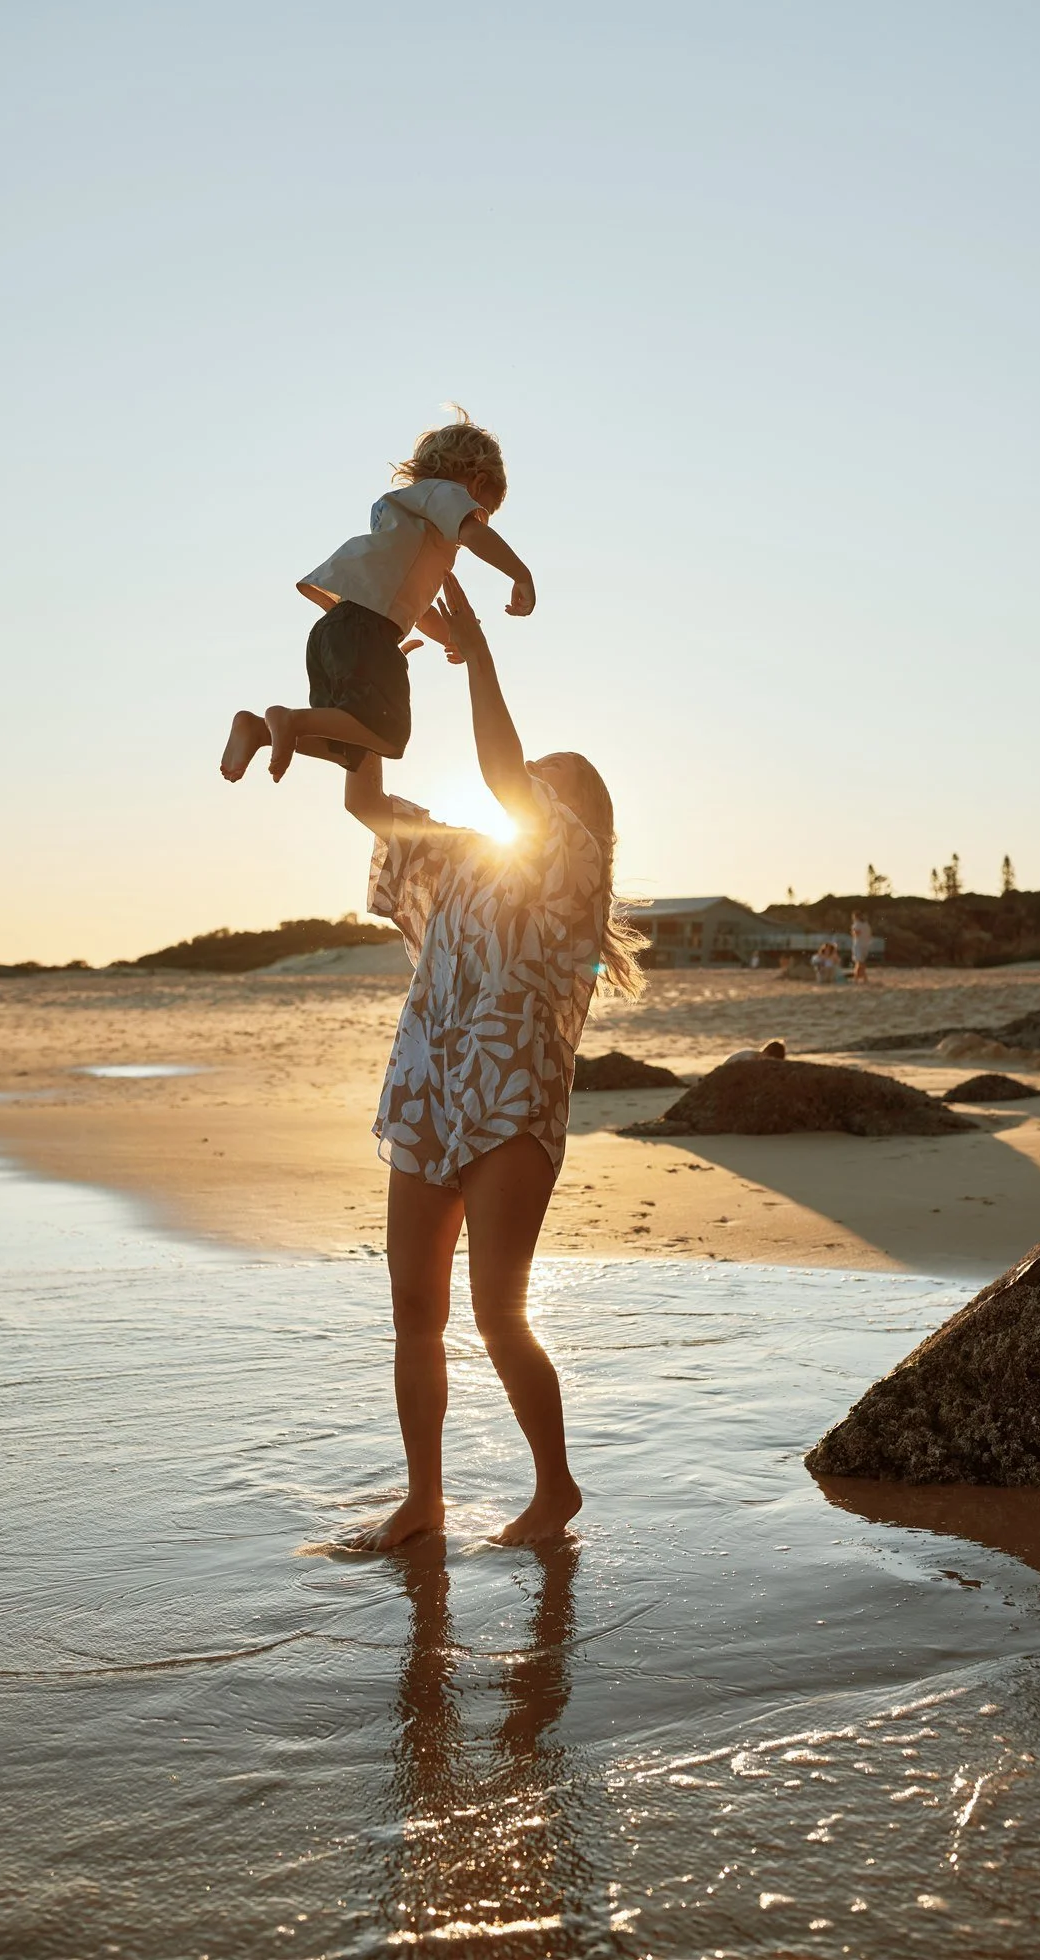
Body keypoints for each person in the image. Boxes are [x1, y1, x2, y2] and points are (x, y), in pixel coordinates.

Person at [342, 575, 645, 1549]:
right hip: (429, 1091)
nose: (529, 787)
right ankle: (423, 1499)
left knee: (494, 1310)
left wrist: (476, 648)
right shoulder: (469, 856)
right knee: (413, 1311)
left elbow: (505, 769)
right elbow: (363, 797)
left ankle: (554, 1486)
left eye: (548, 781)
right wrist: (368, 678)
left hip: (512, 1099)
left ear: (576, 812)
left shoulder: (572, 869)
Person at [220, 411, 536, 785]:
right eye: (482, 511)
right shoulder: (444, 493)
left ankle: (259, 730)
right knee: (389, 731)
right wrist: (521, 574)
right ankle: (288, 719)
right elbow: (473, 534)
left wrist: (450, 638)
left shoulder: (404, 522)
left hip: (334, 631)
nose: (472, 523)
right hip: (363, 631)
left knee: (349, 742)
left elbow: (415, 611)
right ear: (477, 481)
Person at [850, 912, 873, 982]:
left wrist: (852, 932)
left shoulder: (857, 924)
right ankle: (864, 978)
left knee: (859, 962)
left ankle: (856, 979)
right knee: (861, 962)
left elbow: (856, 934)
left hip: (859, 944)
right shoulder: (866, 924)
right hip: (865, 945)